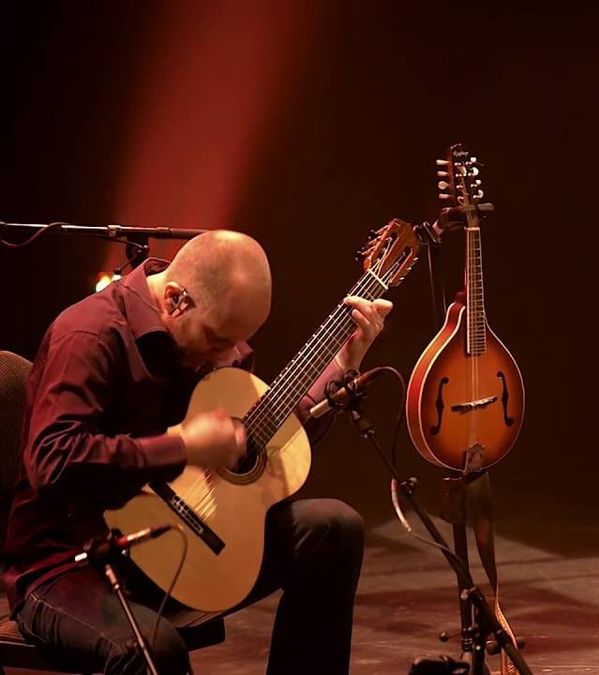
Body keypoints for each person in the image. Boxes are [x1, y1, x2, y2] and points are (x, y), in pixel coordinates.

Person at [3, 230, 392, 674]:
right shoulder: (88, 335)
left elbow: (256, 440)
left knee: (334, 528)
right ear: (174, 300)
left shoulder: (217, 347)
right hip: (69, 564)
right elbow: (53, 461)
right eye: (217, 339)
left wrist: (341, 364)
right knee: (154, 650)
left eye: (237, 341)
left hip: (176, 545)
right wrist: (183, 446)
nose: (230, 354)